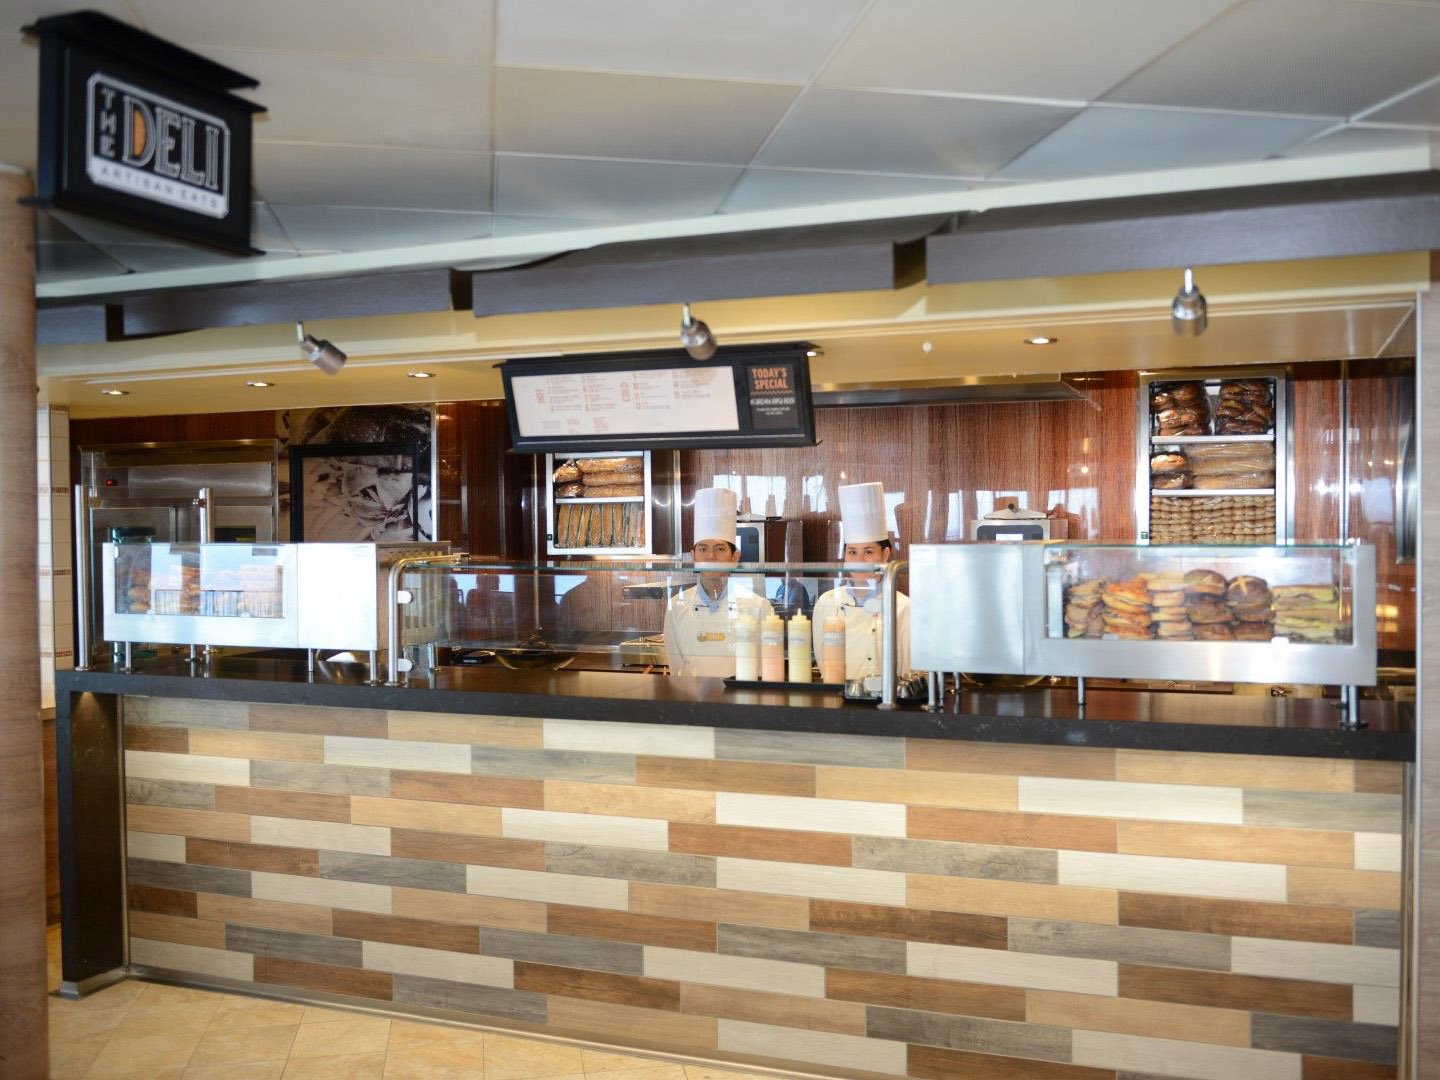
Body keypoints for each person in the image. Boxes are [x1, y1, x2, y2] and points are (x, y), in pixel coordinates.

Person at [663, 488, 773, 677]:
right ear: (693, 556)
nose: (710, 556)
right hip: (691, 696)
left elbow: (765, 671)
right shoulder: (676, 607)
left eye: (720, 549)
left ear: (735, 557)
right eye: (703, 549)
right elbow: (676, 669)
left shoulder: (760, 607)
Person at [811, 481, 911, 681]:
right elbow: (823, 663)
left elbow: (907, 672)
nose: (859, 560)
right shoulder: (826, 602)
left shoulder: (903, 607)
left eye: (868, 552)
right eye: (852, 552)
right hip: (837, 695)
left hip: (886, 698)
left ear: (885, 554)